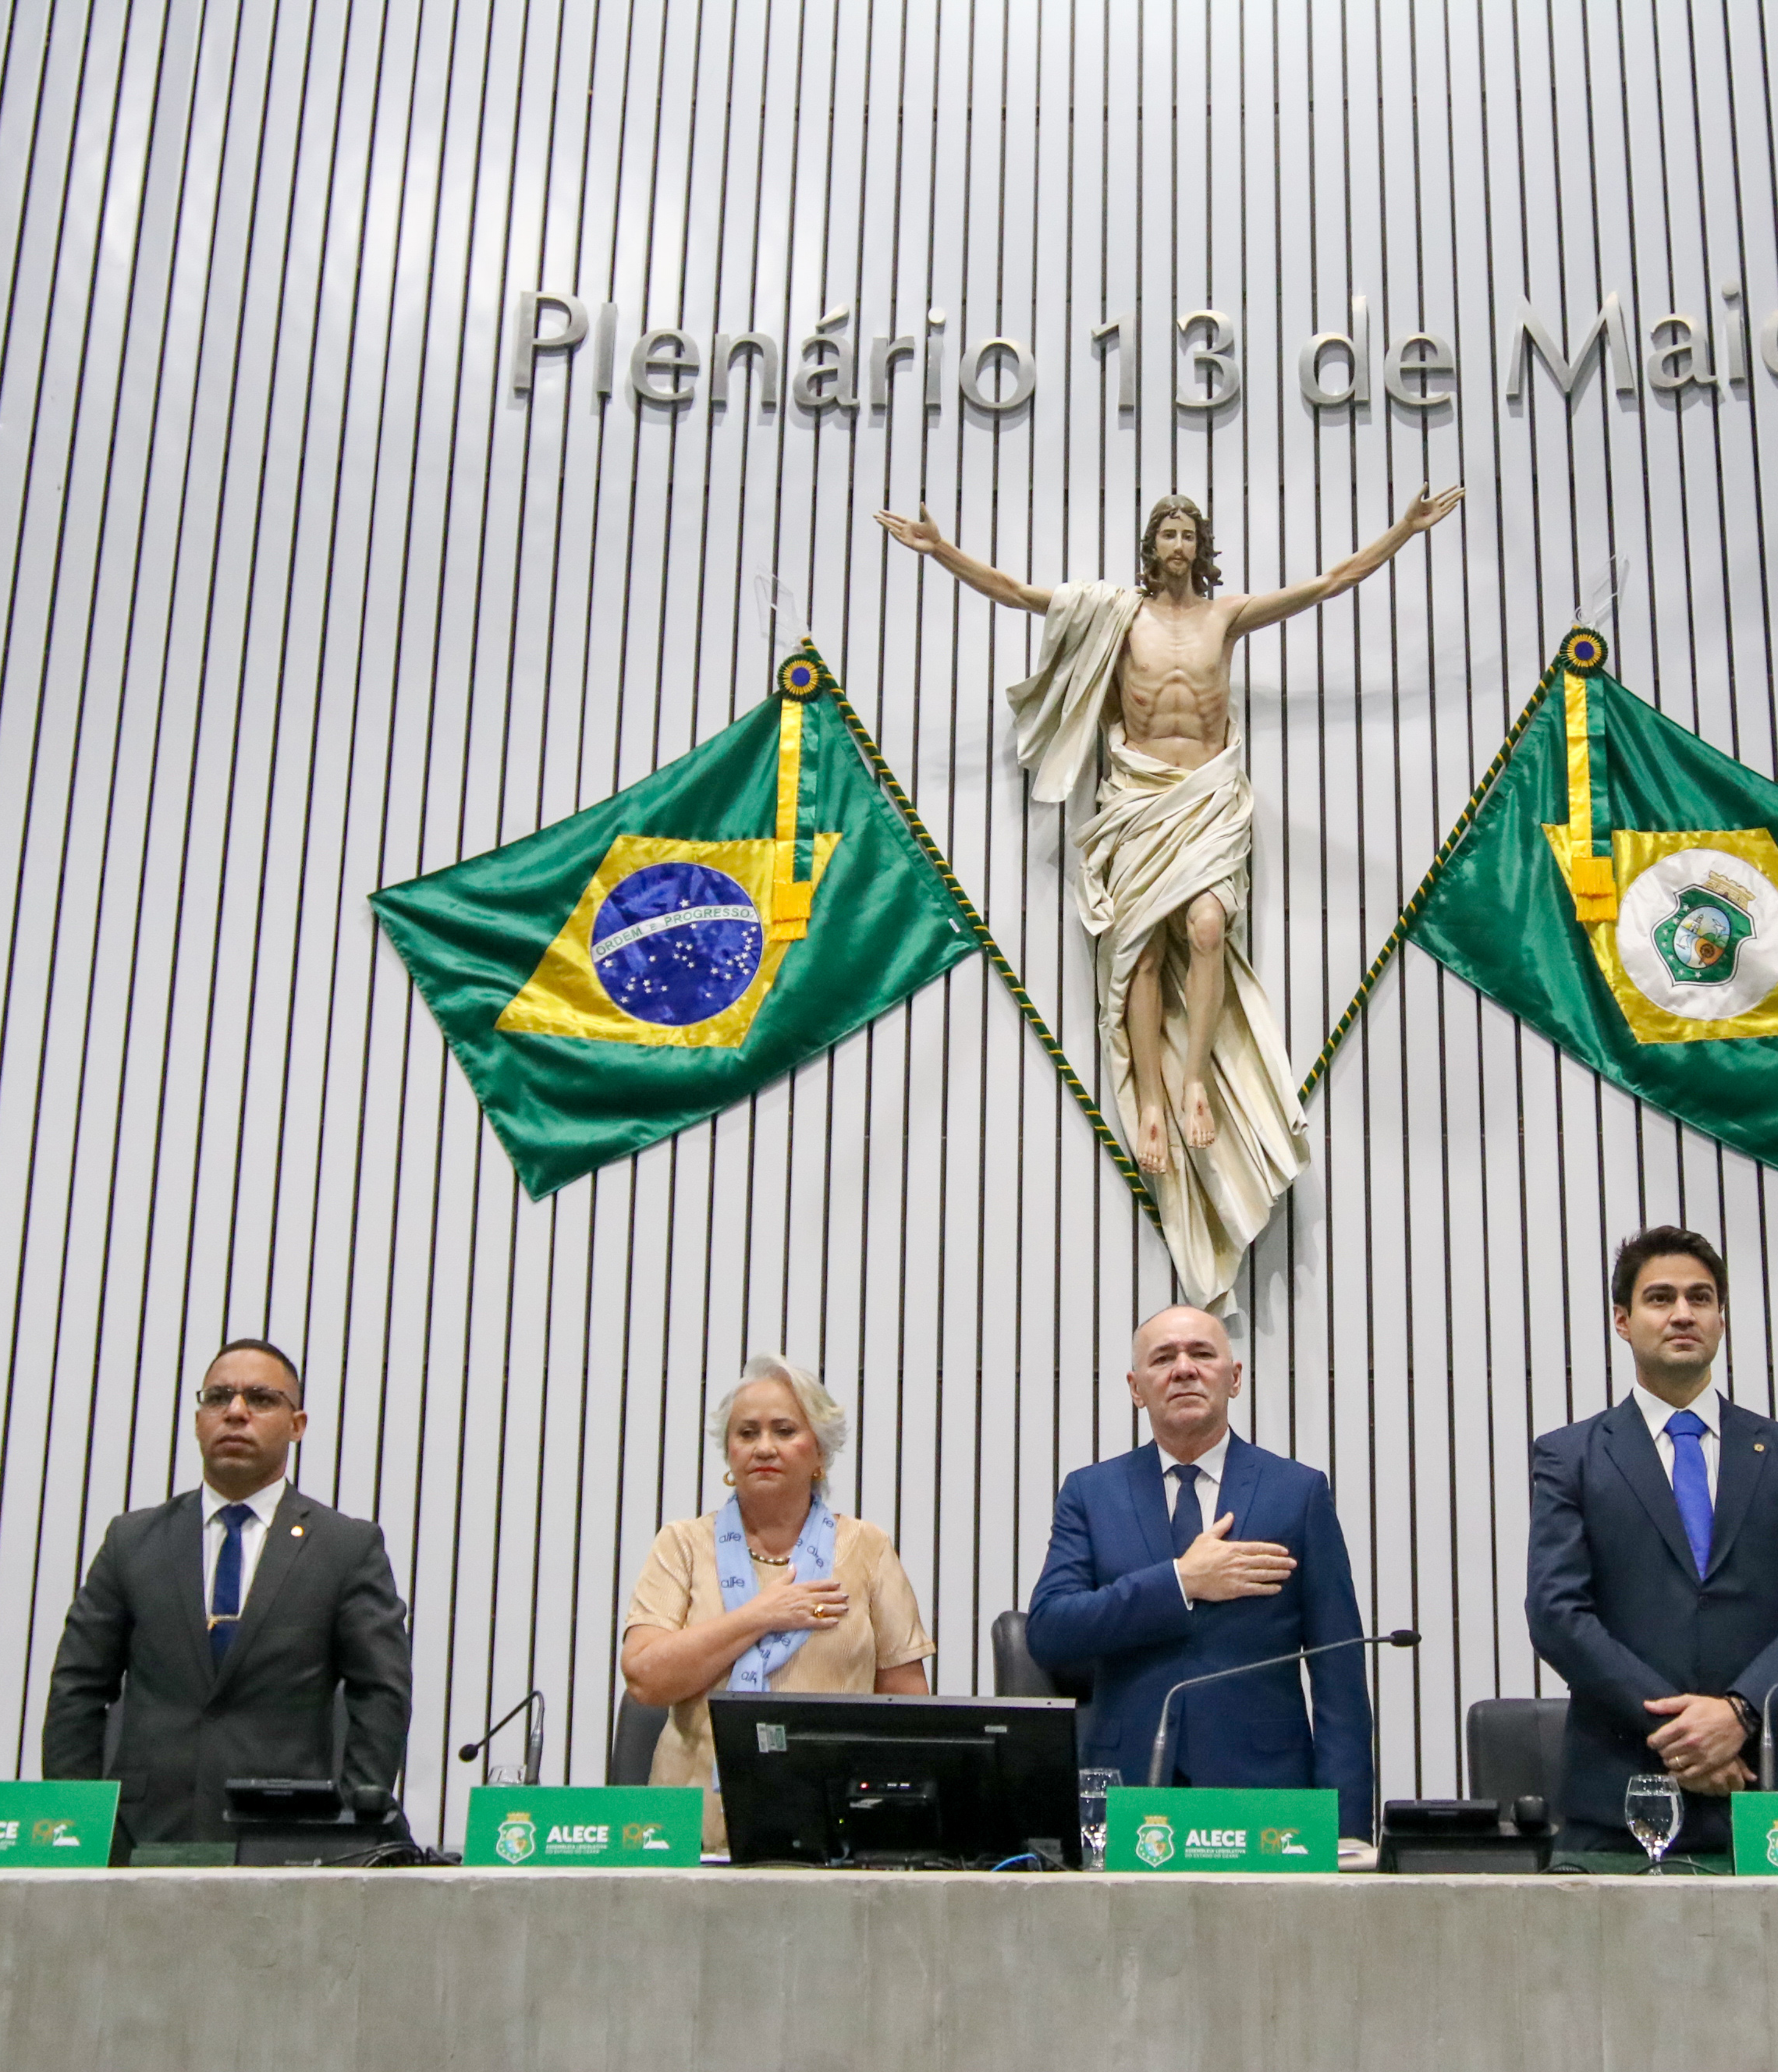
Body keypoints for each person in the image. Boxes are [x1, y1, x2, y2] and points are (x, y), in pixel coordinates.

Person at [874, 485, 1461, 1304]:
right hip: (1140, 797)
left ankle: (1192, 1081)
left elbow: (1330, 584)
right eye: (1168, 530)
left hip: (1211, 794)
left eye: (1189, 530)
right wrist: (941, 550)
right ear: (1150, 546)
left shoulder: (1225, 617)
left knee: (1212, 925)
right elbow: (1014, 592)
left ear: (1201, 544)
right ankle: (1151, 1099)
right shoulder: (1115, 615)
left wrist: (1403, 529)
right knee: (1139, 955)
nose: (1179, 541)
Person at [1524, 1228, 1778, 1859]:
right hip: (1621, 1796)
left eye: (1700, 1298)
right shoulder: (1569, 1457)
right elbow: (1557, 1615)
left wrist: (1739, 1714)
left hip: (1767, 1798)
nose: (1683, 1313)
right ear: (1623, 1321)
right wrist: (1684, 1735)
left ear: (1721, 1319)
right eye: (1660, 1298)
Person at [1024, 1305, 1376, 1841]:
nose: (1183, 1369)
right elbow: (1050, 1630)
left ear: (1234, 1379)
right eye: (1163, 1358)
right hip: (1129, 1793)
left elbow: (1339, 1673)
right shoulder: (1090, 1493)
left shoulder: (1298, 1493)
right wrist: (1180, 1582)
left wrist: (1347, 1830)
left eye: (1202, 1354)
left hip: (1264, 1797)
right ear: (1136, 1388)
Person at [42, 1339, 410, 1849]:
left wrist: (346, 1823)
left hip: (287, 1836)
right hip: (138, 1838)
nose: (236, 1412)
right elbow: (78, 1687)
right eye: (218, 1398)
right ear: (198, 1421)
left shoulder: (345, 1548)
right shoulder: (133, 1541)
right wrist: (76, 1822)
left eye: (260, 1399)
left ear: (297, 1425)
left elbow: (381, 1696)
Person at [621, 1356, 932, 1853]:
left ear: (819, 1456)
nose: (764, 1447)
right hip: (685, 1834)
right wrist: (761, 1615)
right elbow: (645, 1678)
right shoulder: (681, 1544)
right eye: (747, 1433)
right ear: (729, 1453)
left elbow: (908, 1707)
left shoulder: (867, 1548)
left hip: (832, 1826)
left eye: (784, 1431)